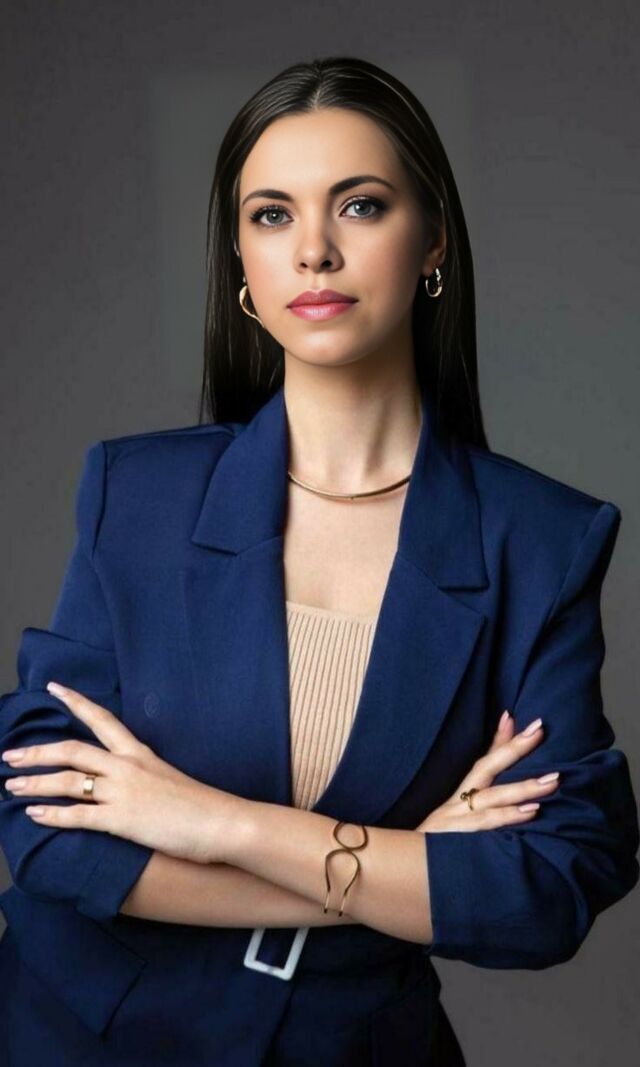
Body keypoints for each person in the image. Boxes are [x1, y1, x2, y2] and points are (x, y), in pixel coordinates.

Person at [0, 55, 638, 1067]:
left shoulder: (542, 538)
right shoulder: (138, 493)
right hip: (76, 1037)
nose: (313, 252)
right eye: (271, 215)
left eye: (360, 205)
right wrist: (391, 868)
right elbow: (43, 826)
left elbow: (551, 883)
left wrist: (221, 824)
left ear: (432, 239)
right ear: (241, 266)